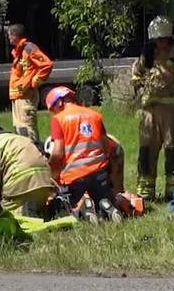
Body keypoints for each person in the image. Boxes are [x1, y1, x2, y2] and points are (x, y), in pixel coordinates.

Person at [129, 16, 174, 200]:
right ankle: (145, 192)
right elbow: (135, 74)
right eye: (158, 40)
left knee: (173, 149)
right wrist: (140, 87)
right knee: (146, 151)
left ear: (171, 37)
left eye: (164, 39)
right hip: (150, 111)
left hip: (173, 111)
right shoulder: (148, 56)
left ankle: (173, 191)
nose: (162, 43)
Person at [46, 86, 123, 214]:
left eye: (53, 109)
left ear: (59, 102)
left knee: (65, 210)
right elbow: (107, 148)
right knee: (102, 203)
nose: (54, 113)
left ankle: (82, 209)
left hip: (75, 178)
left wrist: (53, 176)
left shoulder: (59, 119)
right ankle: (106, 206)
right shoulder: (95, 115)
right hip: (100, 174)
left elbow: (58, 153)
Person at [0, 115, 56, 217]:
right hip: (44, 182)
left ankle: (24, 213)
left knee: (3, 216)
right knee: (37, 209)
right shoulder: (18, 138)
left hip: (21, 185)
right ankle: (39, 211)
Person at [6, 24, 52, 142]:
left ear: (15, 35)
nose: (8, 37)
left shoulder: (29, 48)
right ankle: (25, 155)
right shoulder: (18, 51)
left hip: (26, 96)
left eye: (9, 34)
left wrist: (35, 82)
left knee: (28, 128)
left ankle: (35, 154)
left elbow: (47, 65)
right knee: (19, 128)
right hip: (18, 96)